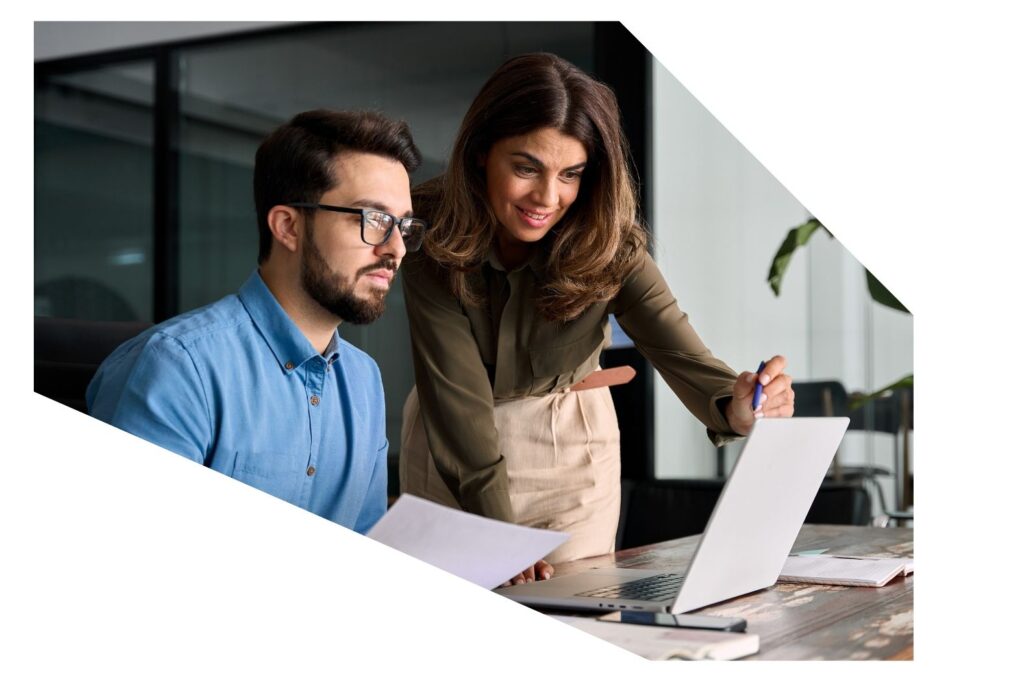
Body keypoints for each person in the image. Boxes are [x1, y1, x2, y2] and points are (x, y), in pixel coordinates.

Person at [399, 53, 795, 583]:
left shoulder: (609, 243)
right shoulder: (428, 228)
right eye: (525, 168)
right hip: (450, 449)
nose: (548, 197)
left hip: (572, 455)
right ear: (479, 155)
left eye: (571, 175)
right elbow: (458, 401)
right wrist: (501, 536)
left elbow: (681, 353)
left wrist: (737, 405)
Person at [87, 109, 427, 533]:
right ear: (287, 226)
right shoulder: (177, 367)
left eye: (403, 225)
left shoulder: (363, 381)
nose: (396, 248)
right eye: (373, 220)